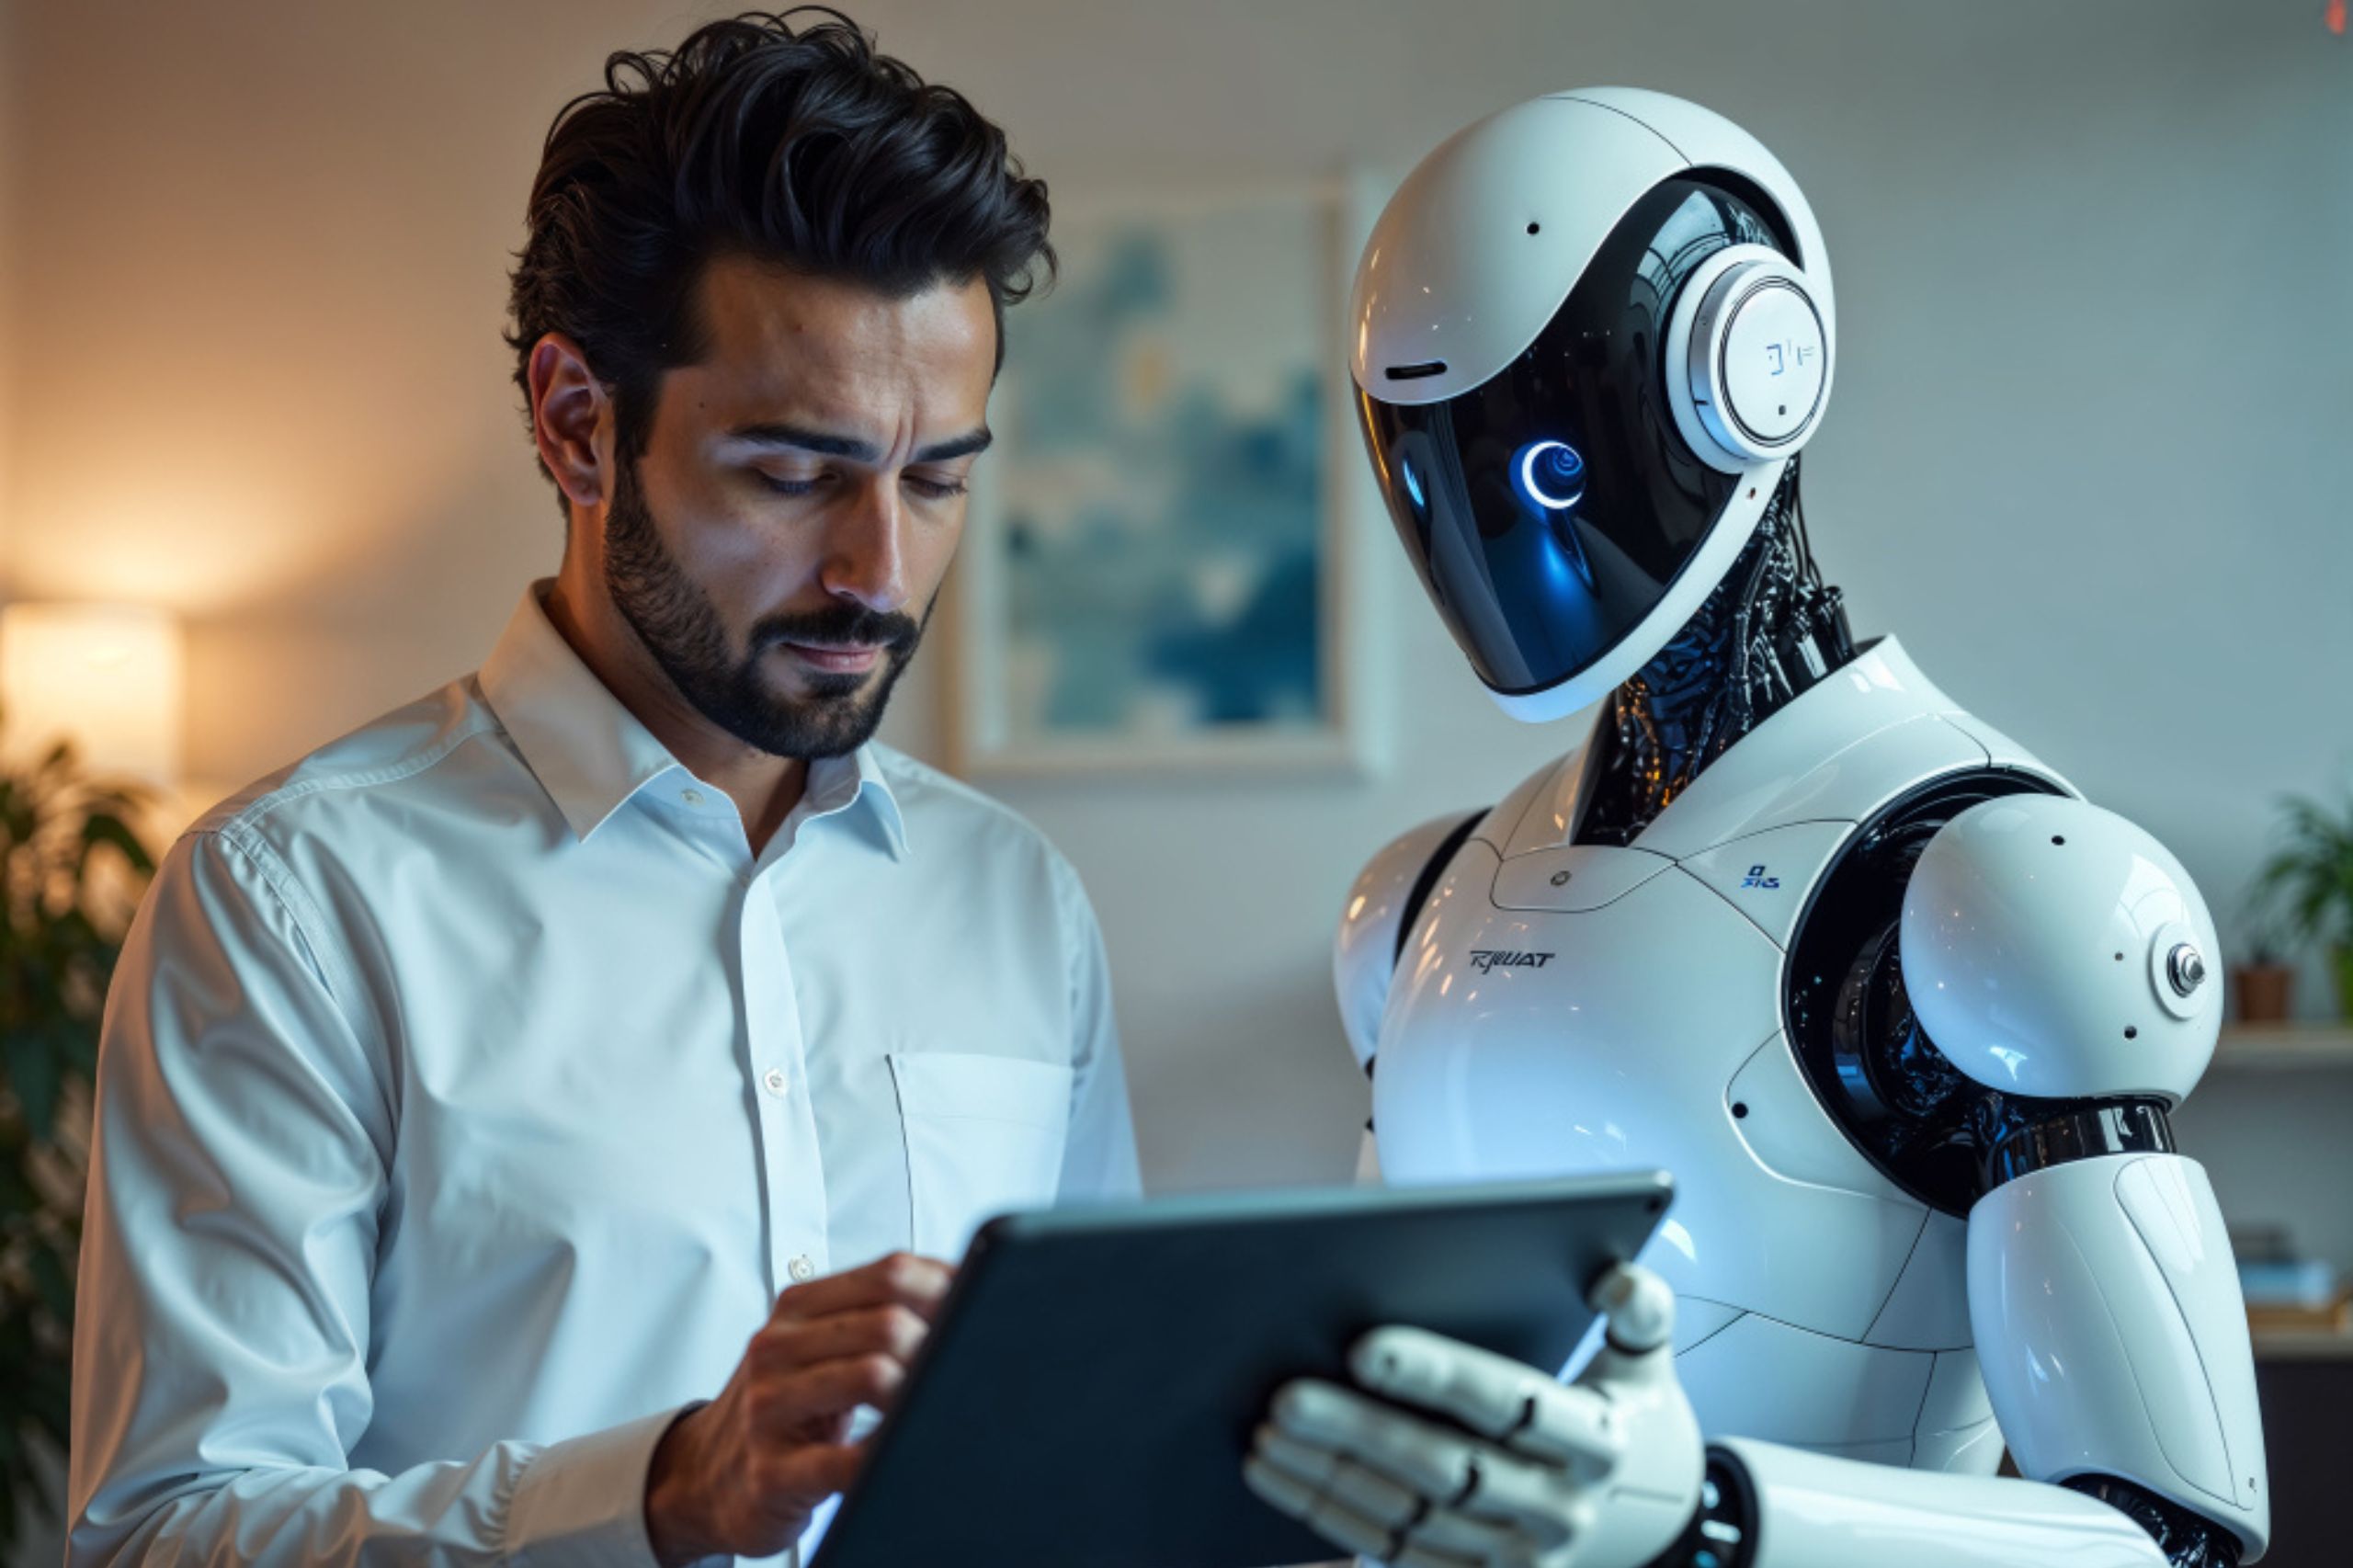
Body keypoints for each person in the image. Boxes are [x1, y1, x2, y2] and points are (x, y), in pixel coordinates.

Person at [67, 13, 1138, 1567]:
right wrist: (666, 1494)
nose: (879, 572)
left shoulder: (1017, 898)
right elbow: (170, 1532)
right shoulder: (293, 906)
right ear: (578, 424)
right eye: (792, 472)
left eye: (936, 477)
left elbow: (1088, 1438)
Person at [1247, 89, 2264, 1568]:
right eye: (1442, 475)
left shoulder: (1985, 895)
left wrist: (1709, 1522)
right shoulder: (1424, 906)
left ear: (1753, 371)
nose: (1505, 539)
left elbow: (2172, 1529)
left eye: (1541, 463)